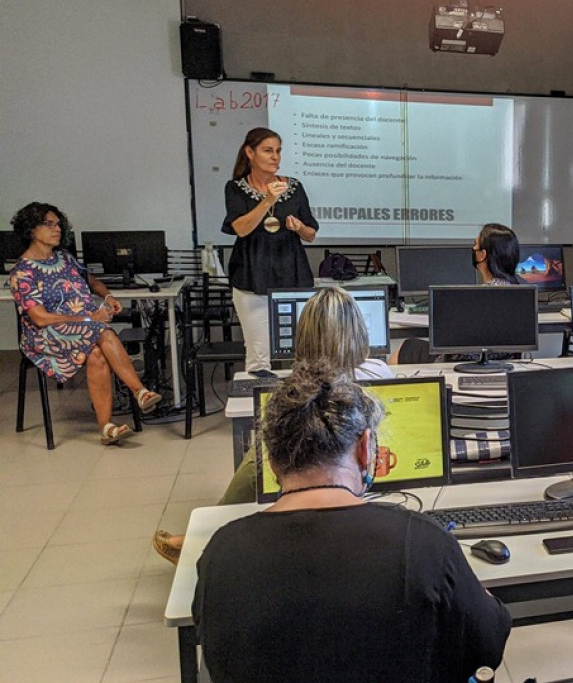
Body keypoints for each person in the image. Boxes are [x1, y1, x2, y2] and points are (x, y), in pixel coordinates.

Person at [193, 364, 510, 683]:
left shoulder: (221, 551)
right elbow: (487, 647)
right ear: (364, 449)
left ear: (273, 460)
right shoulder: (426, 544)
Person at [153, 287, 392, 562]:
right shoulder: (378, 371)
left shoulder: (300, 389)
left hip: (320, 472)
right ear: (359, 332)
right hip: (371, 469)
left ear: (304, 337)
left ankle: (206, 534)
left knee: (260, 453)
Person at [8, 203, 162, 445]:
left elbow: (91, 281)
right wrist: (88, 319)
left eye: (58, 224)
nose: (56, 229)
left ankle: (107, 427)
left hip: (82, 329)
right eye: (49, 224)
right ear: (31, 230)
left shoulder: (65, 258)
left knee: (98, 354)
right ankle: (139, 391)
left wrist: (108, 296)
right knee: (100, 330)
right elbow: (40, 318)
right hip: (45, 336)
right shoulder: (22, 273)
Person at [222, 127, 318, 372]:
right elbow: (241, 228)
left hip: (292, 274)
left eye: (278, 151)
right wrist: (267, 201)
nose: (275, 157)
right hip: (252, 276)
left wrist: (299, 228)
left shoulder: (294, 187)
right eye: (268, 150)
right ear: (250, 153)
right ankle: (262, 406)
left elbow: (311, 234)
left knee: (304, 351)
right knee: (259, 355)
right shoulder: (235, 188)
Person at [394, 222, 521, 364]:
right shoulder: (519, 293)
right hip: (504, 364)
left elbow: (458, 348)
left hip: (464, 364)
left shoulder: (478, 297)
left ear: (482, 255)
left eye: (475, 244)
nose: (472, 248)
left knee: (407, 346)